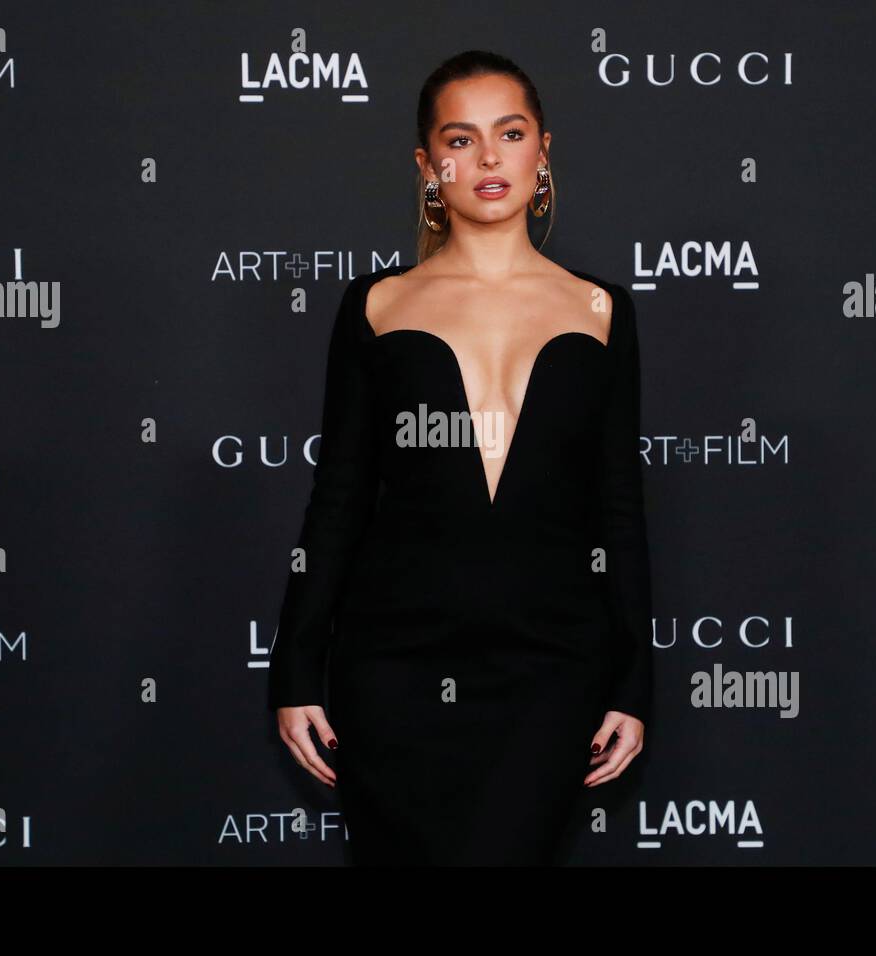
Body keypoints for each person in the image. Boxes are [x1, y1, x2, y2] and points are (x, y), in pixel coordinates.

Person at [267, 49, 654, 865]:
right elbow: (336, 498)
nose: (486, 158)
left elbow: (618, 507)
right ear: (426, 163)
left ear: (542, 149)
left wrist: (632, 680)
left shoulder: (601, 310)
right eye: (461, 138)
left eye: (509, 134)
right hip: (396, 666)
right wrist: (296, 669)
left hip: (547, 667)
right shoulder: (376, 304)